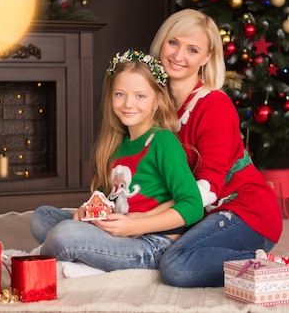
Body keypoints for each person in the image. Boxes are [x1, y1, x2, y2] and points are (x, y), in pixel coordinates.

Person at [149, 9, 289, 294]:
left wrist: (146, 219)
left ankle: (286, 267)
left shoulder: (213, 105)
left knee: (176, 265)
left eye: (192, 49)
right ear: (161, 43)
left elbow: (208, 187)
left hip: (246, 212)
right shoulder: (154, 105)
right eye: (173, 43)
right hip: (201, 214)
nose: (178, 55)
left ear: (206, 58)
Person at [28, 49, 204, 272]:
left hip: (151, 244)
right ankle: (84, 254)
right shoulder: (118, 143)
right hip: (117, 226)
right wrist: (86, 210)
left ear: (157, 100)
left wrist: (136, 225)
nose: (128, 104)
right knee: (42, 216)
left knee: (65, 234)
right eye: (120, 94)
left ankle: (63, 258)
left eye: (140, 96)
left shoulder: (162, 141)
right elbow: (105, 195)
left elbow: (193, 206)